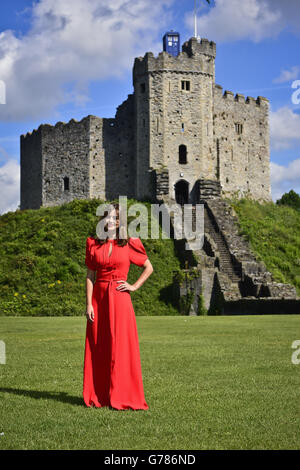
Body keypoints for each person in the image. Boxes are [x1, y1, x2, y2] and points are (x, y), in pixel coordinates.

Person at [83, 203, 153, 410]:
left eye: (115, 218)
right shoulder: (93, 244)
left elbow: (149, 267)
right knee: (99, 345)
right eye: (107, 218)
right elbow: (90, 276)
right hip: (99, 299)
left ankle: (123, 395)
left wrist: (134, 286)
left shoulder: (129, 243)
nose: (111, 221)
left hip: (121, 299)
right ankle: (100, 395)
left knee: (122, 347)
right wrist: (88, 304)